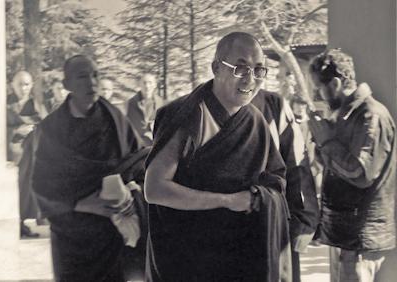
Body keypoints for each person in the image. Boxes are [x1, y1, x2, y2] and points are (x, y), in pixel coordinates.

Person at [144, 32, 290, 282]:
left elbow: (275, 181)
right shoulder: (187, 114)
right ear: (216, 68)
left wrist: (258, 197)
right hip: (185, 259)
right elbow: (154, 189)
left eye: (258, 70)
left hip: (236, 257)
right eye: (241, 68)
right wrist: (226, 200)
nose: (250, 79)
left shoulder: (255, 121)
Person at [31, 55, 147, 282]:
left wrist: (132, 194)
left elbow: (139, 160)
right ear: (67, 85)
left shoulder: (115, 118)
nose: (92, 83)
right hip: (72, 234)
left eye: (96, 75)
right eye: (83, 77)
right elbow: (41, 184)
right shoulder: (50, 129)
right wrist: (81, 204)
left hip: (112, 231)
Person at [308, 49, 396, 282]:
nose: (318, 95)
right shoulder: (347, 116)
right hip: (346, 235)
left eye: (319, 88)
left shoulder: (370, 116)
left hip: (360, 237)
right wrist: (321, 143)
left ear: (335, 83)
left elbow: (360, 172)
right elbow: (336, 167)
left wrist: (327, 140)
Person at [252, 91, 320, 282]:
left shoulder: (274, 104)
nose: (250, 76)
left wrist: (304, 220)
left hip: (274, 223)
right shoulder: (203, 105)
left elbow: (297, 165)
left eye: (258, 68)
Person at [7, 71, 44, 238]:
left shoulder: (34, 104)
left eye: (27, 84)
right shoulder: (5, 104)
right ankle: (11, 223)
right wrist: (16, 132)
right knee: (11, 188)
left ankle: (21, 222)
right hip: (10, 153)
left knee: (26, 189)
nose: (23, 88)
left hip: (30, 154)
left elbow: (46, 125)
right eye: (20, 84)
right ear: (12, 85)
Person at [126, 73, 165, 147]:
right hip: (137, 145)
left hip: (155, 144)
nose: (147, 86)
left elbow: (164, 125)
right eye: (144, 83)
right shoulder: (131, 103)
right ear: (140, 85)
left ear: (154, 85)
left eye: (150, 83)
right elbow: (128, 125)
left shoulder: (161, 103)